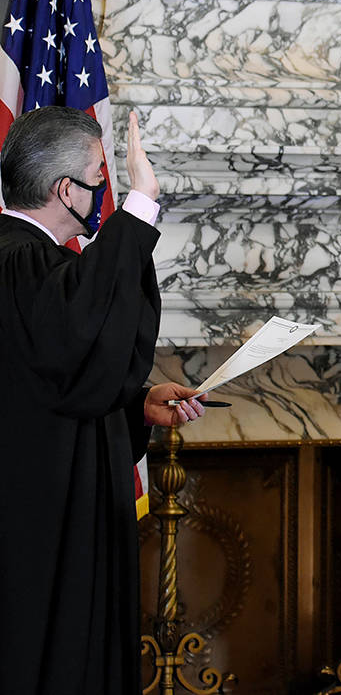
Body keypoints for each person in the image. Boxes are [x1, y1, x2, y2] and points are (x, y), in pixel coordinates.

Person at [0, 106, 207, 695]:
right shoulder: (22, 263)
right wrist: (143, 202)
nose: (104, 192)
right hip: (40, 541)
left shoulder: (26, 267)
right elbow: (74, 332)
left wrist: (138, 404)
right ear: (66, 190)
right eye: (99, 177)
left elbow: (54, 384)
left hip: (44, 521)